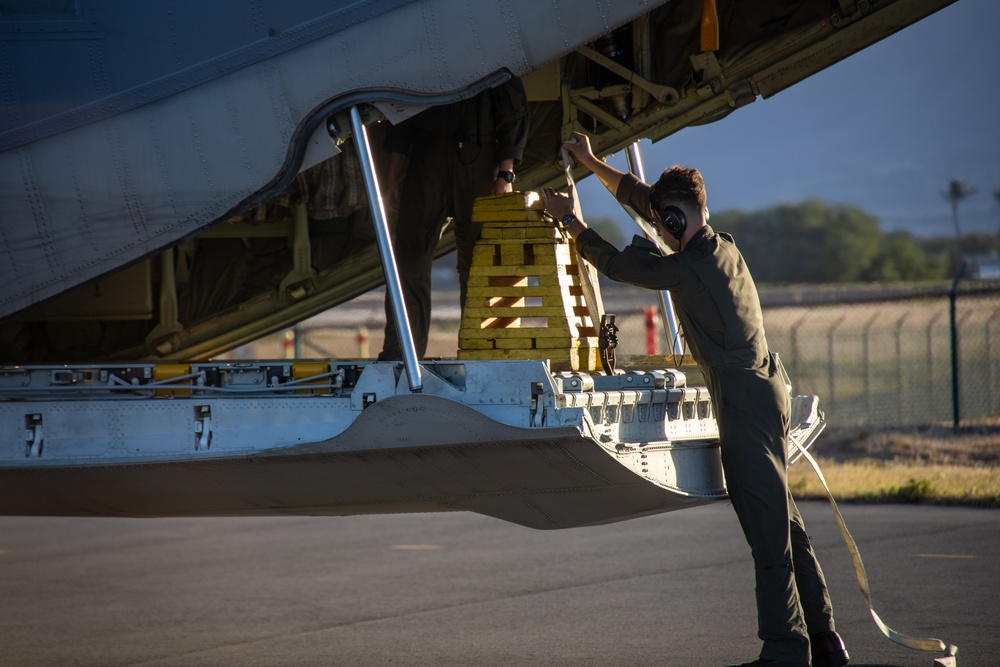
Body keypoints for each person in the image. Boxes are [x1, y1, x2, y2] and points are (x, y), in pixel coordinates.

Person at [541, 132, 850, 667]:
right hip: (763, 390)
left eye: (662, 224)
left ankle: (785, 650)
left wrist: (571, 223)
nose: (658, 230)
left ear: (675, 224)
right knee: (783, 518)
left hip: (746, 403)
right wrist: (591, 162)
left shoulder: (688, 269)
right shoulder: (720, 245)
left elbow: (617, 265)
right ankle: (823, 639)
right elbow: (644, 200)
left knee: (766, 525)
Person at [378, 77, 530, 360]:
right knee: (408, 262)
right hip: (426, 159)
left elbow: (513, 112)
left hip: (478, 162)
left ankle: (482, 350)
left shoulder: (490, 50)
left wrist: (505, 174)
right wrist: (391, 175)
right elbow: (400, 115)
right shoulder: (419, 54)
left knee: (479, 264)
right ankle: (401, 354)